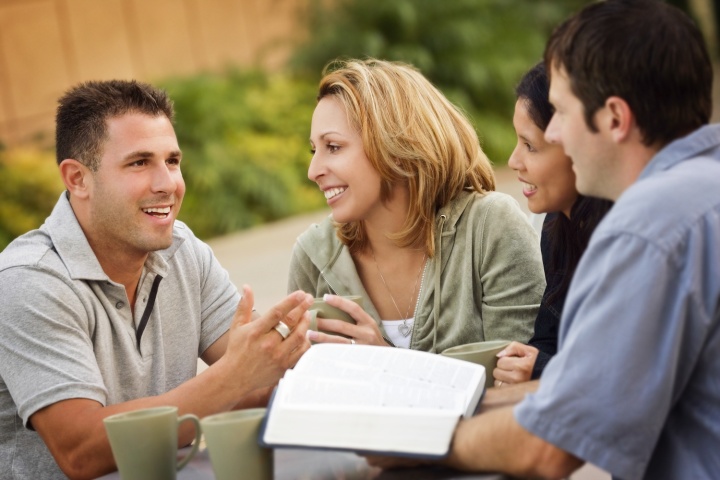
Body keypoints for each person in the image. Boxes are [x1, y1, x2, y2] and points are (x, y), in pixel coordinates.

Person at [370, 1, 720, 478]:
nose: (554, 131)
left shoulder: (648, 228)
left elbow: (548, 446)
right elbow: (589, 392)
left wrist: (420, 439)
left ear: (615, 118)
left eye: (563, 112)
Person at [0, 80, 313, 479]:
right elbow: (80, 451)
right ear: (77, 179)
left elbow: (250, 384)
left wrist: (301, 355)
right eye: (139, 162)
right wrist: (234, 376)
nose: (168, 183)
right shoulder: (27, 281)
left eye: (172, 160)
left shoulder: (182, 250)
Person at [288, 58, 546, 353]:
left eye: (333, 147)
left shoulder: (491, 227)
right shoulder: (312, 258)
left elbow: (520, 383)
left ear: (396, 147)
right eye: (314, 150)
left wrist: (387, 363)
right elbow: (305, 389)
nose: (313, 170)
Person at [494, 62, 612, 384]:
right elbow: (548, 337)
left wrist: (541, 368)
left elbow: (617, 375)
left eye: (530, 146)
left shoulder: (622, 240)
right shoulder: (557, 224)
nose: (513, 161)